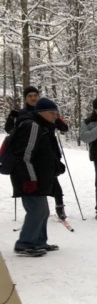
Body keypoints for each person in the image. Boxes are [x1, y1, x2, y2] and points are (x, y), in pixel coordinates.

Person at [5, 86, 69, 220]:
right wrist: (12, 117)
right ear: (25, 98)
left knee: (53, 179)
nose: (33, 98)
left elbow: (64, 128)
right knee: (36, 181)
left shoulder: (47, 110)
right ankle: (38, 213)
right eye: (30, 96)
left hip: (50, 149)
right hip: (32, 152)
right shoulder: (22, 113)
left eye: (35, 95)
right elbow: (10, 130)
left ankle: (59, 206)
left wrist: (56, 118)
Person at [9, 98, 63, 256]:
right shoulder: (32, 126)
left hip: (38, 176)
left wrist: (55, 166)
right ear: (41, 112)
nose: (55, 116)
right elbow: (24, 156)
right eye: (52, 113)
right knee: (37, 210)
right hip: (29, 177)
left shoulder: (42, 126)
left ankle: (39, 241)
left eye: (56, 113)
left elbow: (44, 153)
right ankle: (25, 243)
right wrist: (29, 179)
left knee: (43, 211)